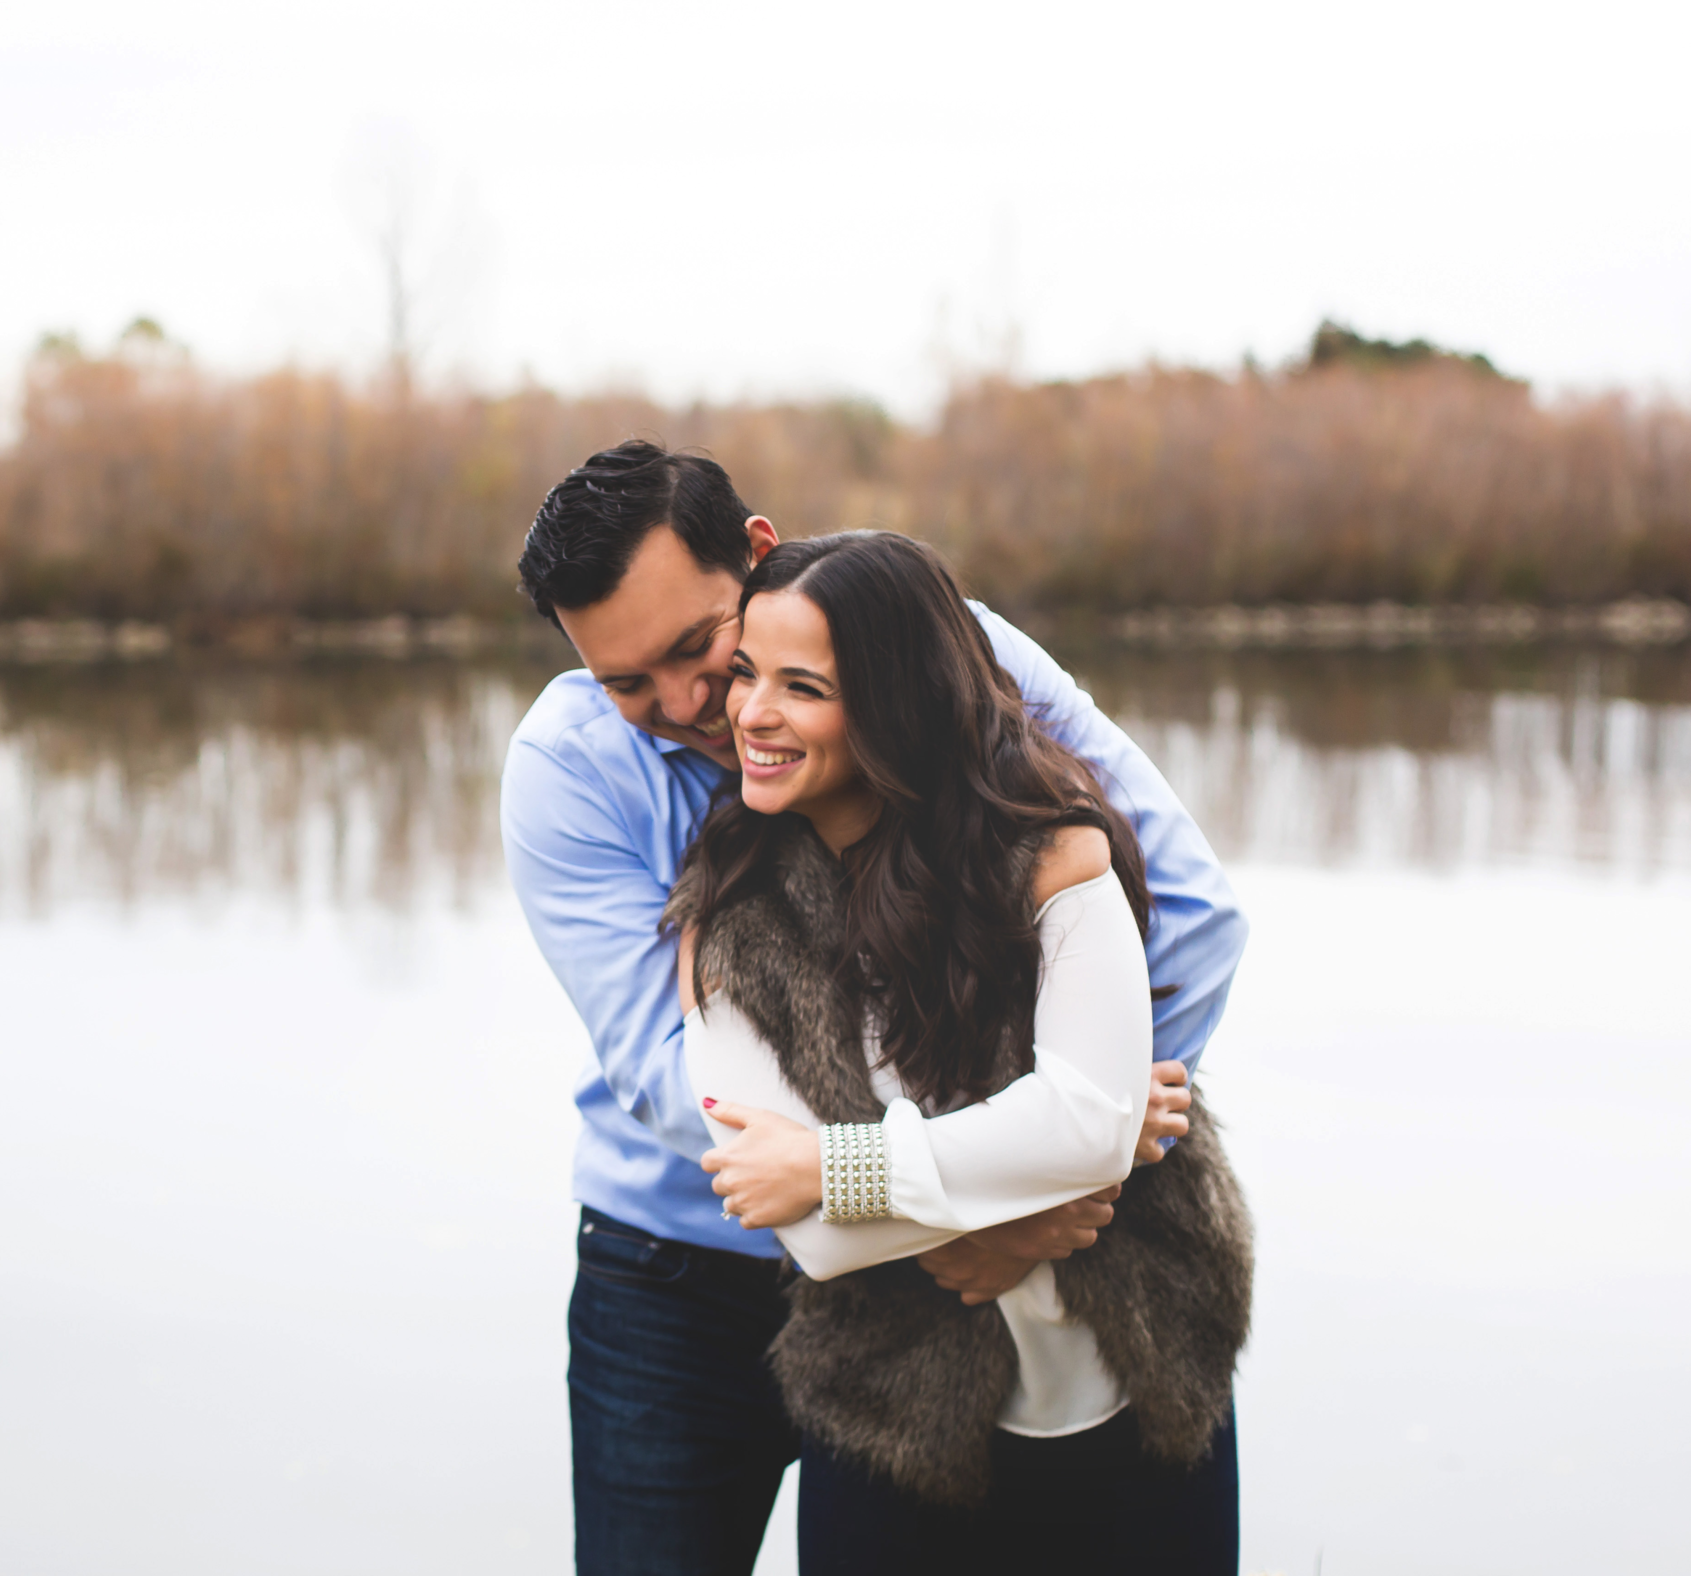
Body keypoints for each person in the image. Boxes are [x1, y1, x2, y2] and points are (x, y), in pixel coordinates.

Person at [502, 441, 1248, 1576]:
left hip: (976, 1284)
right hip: (679, 1283)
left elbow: (1186, 918)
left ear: (754, 554)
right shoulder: (568, 770)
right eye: (625, 682)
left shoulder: (952, 650)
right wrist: (1003, 1169)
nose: (687, 704)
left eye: (698, 647)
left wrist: (1067, 1157)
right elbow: (674, 1077)